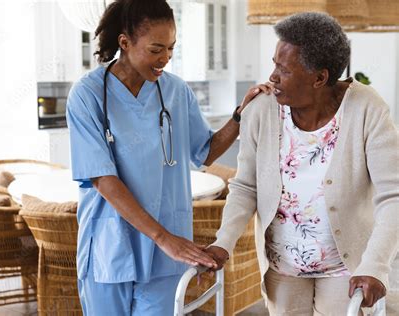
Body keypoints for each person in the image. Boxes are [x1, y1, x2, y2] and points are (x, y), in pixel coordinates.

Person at [66, 0, 271, 314]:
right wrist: (162, 237)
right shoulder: (88, 95)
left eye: (171, 49)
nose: (165, 59)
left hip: (167, 249)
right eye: (156, 49)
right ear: (124, 42)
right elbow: (102, 178)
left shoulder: (175, 91)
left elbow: (205, 150)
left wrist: (239, 117)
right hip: (111, 245)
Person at [205, 12, 398, 315]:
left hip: (344, 268)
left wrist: (375, 266)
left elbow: (393, 196)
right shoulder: (263, 109)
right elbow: (245, 187)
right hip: (282, 267)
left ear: (319, 77)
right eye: (274, 65)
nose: (272, 77)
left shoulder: (367, 109)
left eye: (283, 69)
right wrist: (223, 242)